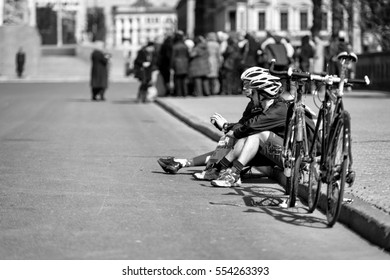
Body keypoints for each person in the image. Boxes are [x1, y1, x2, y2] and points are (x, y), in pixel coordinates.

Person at [157, 67, 288, 182]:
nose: (244, 88)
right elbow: (243, 125)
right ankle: (185, 163)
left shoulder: (278, 108)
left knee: (236, 140)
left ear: (261, 88)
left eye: (248, 85)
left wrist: (226, 127)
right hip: (262, 151)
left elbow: (250, 127)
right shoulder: (254, 104)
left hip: (279, 153)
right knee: (231, 143)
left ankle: (217, 170)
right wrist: (228, 128)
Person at [170, 31, 190, 97]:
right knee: (184, 79)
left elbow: (173, 57)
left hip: (177, 63)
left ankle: (179, 93)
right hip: (185, 62)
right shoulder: (185, 46)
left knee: (178, 80)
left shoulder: (175, 46)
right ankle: (185, 92)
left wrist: (171, 66)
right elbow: (188, 55)